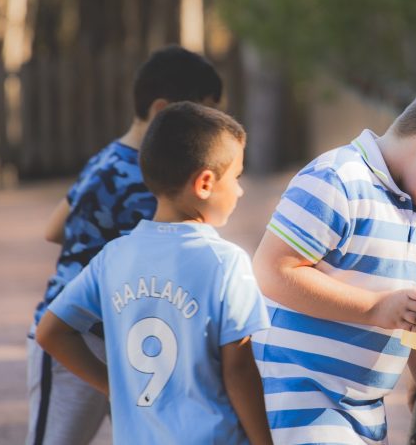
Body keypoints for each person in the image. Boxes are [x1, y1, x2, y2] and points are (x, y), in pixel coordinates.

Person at [250, 72, 416, 445]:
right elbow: (272, 271)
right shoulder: (337, 178)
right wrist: (376, 307)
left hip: (365, 416)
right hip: (301, 404)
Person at [36, 102, 272, 445]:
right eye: (236, 177)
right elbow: (238, 369)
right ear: (205, 183)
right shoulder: (227, 262)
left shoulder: (113, 257)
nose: (240, 189)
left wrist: (115, 386)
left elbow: (50, 332)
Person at [26, 46, 224, 445]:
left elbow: (54, 229)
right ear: (162, 110)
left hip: (124, 338)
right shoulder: (158, 183)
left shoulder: (105, 159)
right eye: (200, 119)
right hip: (74, 337)